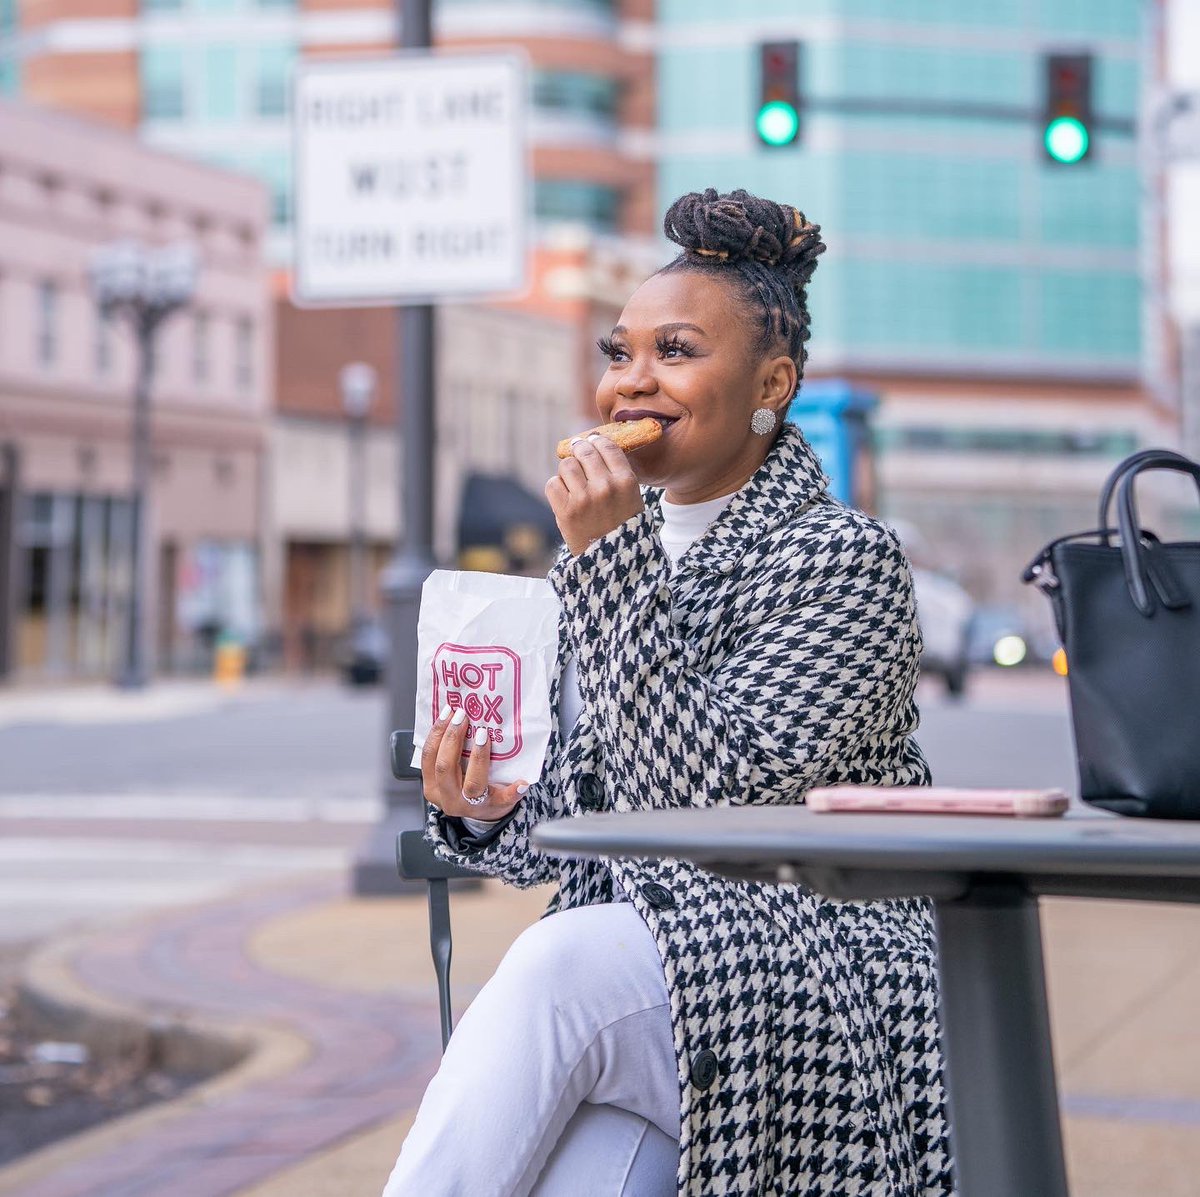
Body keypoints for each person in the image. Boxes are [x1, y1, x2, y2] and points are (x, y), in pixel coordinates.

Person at [382, 188, 953, 1197]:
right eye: (617, 352)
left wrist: (609, 564)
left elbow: (714, 796)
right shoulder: (589, 569)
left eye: (676, 352)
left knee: (558, 965)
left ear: (770, 382)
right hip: (646, 971)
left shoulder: (844, 561)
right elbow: (588, 819)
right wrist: (485, 809)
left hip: (805, 961)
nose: (629, 384)